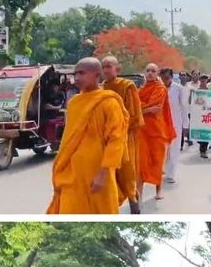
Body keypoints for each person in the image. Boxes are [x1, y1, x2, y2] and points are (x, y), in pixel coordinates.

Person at [47, 57, 127, 214]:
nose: (77, 78)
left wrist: (103, 175)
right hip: (71, 173)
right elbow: (68, 139)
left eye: (82, 73)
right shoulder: (74, 103)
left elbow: (116, 140)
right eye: (75, 74)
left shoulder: (109, 102)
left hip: (97, 173)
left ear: (97, 75)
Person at [102, 56, 144, 213]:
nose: (106, 70)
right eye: (103, 66)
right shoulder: (101, 90)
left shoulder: (127, 86)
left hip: (126, 136)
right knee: (110, 173)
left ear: (117, 69)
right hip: (108, 139)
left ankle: (134, 202)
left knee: (127, 171)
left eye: (109, 66)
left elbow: (134, 114)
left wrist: (119, 130)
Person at [138, 63, 176, 201]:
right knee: (141, 162)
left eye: (153, 71)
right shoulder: (141, 89)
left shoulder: (160, 88)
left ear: (157, 73)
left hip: (157, 131)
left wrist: (140, 108)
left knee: (157, 161)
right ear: (144, 72)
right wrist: (144, 109)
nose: (150, 73)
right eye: (147, 70)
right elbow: (134, 104)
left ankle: (158, 190)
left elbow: (155, 107)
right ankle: (139, 193)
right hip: (142, 130)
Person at [162, 68, 188, 184]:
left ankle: (171, 173)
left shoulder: (179, 89)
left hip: (175, 122)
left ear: (172, 77)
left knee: (174, 148)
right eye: (162, 78)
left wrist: (185, 125)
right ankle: (163, 170)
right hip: (161, 123)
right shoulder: (158, 88)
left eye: (167, 78)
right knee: (163, 148)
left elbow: (184, 107)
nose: (164, 80)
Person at [193, 74, 211, 158]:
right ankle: (201, 144)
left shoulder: (210, 91)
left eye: (205, 80)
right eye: (202, 80)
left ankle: (203, 150)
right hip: (199, 115)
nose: (203, 81)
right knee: (199, 133)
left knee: (206, 133)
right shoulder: (196, 91)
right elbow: (193, 102)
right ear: (200, 80)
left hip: (207, 115)